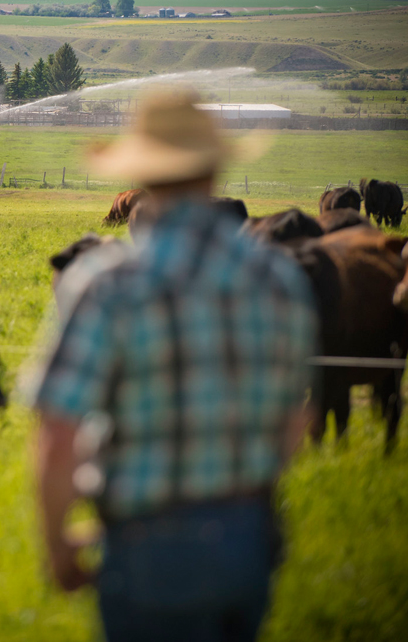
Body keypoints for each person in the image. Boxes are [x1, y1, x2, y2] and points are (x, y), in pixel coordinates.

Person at [33, 89, 317, 642]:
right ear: (215, 168)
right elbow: (296, 420)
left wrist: (56, 545)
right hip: (250, 538)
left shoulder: (108, 285)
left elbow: (58, 435)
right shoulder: (279, 279)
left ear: (142, 173)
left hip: (147, 543)